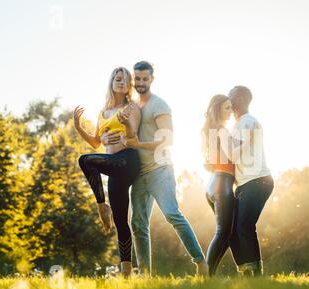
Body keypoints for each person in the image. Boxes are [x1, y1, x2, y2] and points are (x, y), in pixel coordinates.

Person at [101, 61, 208, 276]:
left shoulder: (159, 105)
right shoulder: (132, 107)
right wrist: (105, 137)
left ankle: (200, 262)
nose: (140, 82)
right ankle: (147, 275)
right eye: (137, 79)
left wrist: (138, 144)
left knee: (171, 214)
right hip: (139, 173)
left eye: (144, 78)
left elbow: (168, 139)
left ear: (152, 79)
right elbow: (114, 135)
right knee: (138, 224)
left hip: (160, 169)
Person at [73, 67, 141, 277]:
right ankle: (127, 273)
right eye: (117, 79)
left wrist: (125, 126)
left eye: (125, 80)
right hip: (113, 167)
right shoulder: (102, 113)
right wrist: (78, 127)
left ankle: (102, 207)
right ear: (111, 83)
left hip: (127, 161)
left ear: (129, 85)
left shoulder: (132, 108)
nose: (121, 82)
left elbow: (132, 138)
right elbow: (95, 143)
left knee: (85, 160)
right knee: (121, 221)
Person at [228, 85, 274, 276]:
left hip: (257, 181)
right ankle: (246, 271)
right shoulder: (239, 124)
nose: (227, 101)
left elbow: (234, 155)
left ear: (238, 99)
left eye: (230, 97)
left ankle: (256, 275)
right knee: (232, 228)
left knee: (244, 226)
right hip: (246, 183)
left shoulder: (247, 122)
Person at [202, 94, 236, 276]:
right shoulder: (222, 130)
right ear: (218, 110)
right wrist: (247, 143)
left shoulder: (211, 131)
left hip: (212, 185)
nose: (231, 111)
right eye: (227, 108)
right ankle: (206, 276)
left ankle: (210, 274)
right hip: (222, 185)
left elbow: (208, 164)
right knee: (223, 233)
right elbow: (233, 154)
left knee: (228, 233)